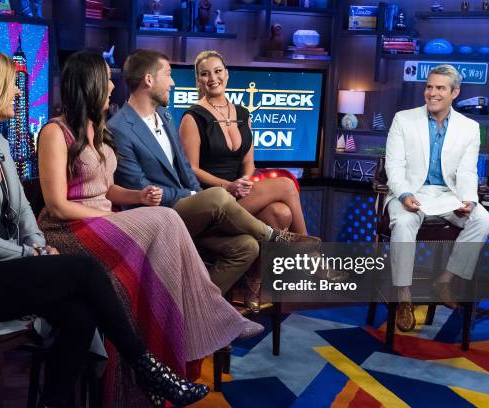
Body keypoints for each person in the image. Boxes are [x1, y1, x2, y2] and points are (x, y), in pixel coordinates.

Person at [0, 48, 208, 408]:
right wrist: (34, 253)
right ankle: (146, 366)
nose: (18, 92)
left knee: (80, 315)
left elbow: (25, 212)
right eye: (11, 84)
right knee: (85, 270)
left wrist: (37, 244)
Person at [37, 50, 264, 406]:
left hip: (103, 221)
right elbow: (56, 205)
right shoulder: (54, 131)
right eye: (106, 80)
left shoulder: (97, 127)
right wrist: (114, 217)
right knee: (168, 218)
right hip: (69, 229)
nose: (112, 86)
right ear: (90, 83)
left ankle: (178, 345)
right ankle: (213, 316)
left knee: (165, 232)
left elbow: (107, 189)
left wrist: (138, 195)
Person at [109, 49, 309, 313]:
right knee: (233, 194)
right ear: (148, 80)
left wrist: (200, 192)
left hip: (198, 203)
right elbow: (140, 187)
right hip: (160, 215)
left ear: (226, 74)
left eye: (217, 71)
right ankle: (284, 242)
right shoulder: (120, 127)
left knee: (251, 242)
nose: (172, 82)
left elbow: (185, 171)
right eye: (168, 75)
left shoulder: (165, 116)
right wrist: (196, 195)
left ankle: (192, 311)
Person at [385, 64, 489, 332]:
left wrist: (469, 199)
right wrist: (404, 194)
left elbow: (467, 171)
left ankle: (445, 279)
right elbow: (394, 166)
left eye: (440, 88)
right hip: (411, 191)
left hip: (448, 195)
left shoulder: (469, 128)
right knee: (403, 223)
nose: (432, 93)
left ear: (454, 92)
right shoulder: (403, 119)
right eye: (429, 87)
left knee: (484, 220)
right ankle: (404, 297)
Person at [179, 50, 308, 236]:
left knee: (281, 213)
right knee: (287, 185)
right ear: (198, 80)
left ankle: (276, 263)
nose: (212, 78)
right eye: (204, 74)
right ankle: (312, 255)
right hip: (213, 200)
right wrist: (228, 186)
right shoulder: (192, 117)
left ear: (227, 74)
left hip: (240, 195)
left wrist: (244, 183)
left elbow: (249, 163)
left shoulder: (243, 114)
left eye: (217, 71)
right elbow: (191, 168)